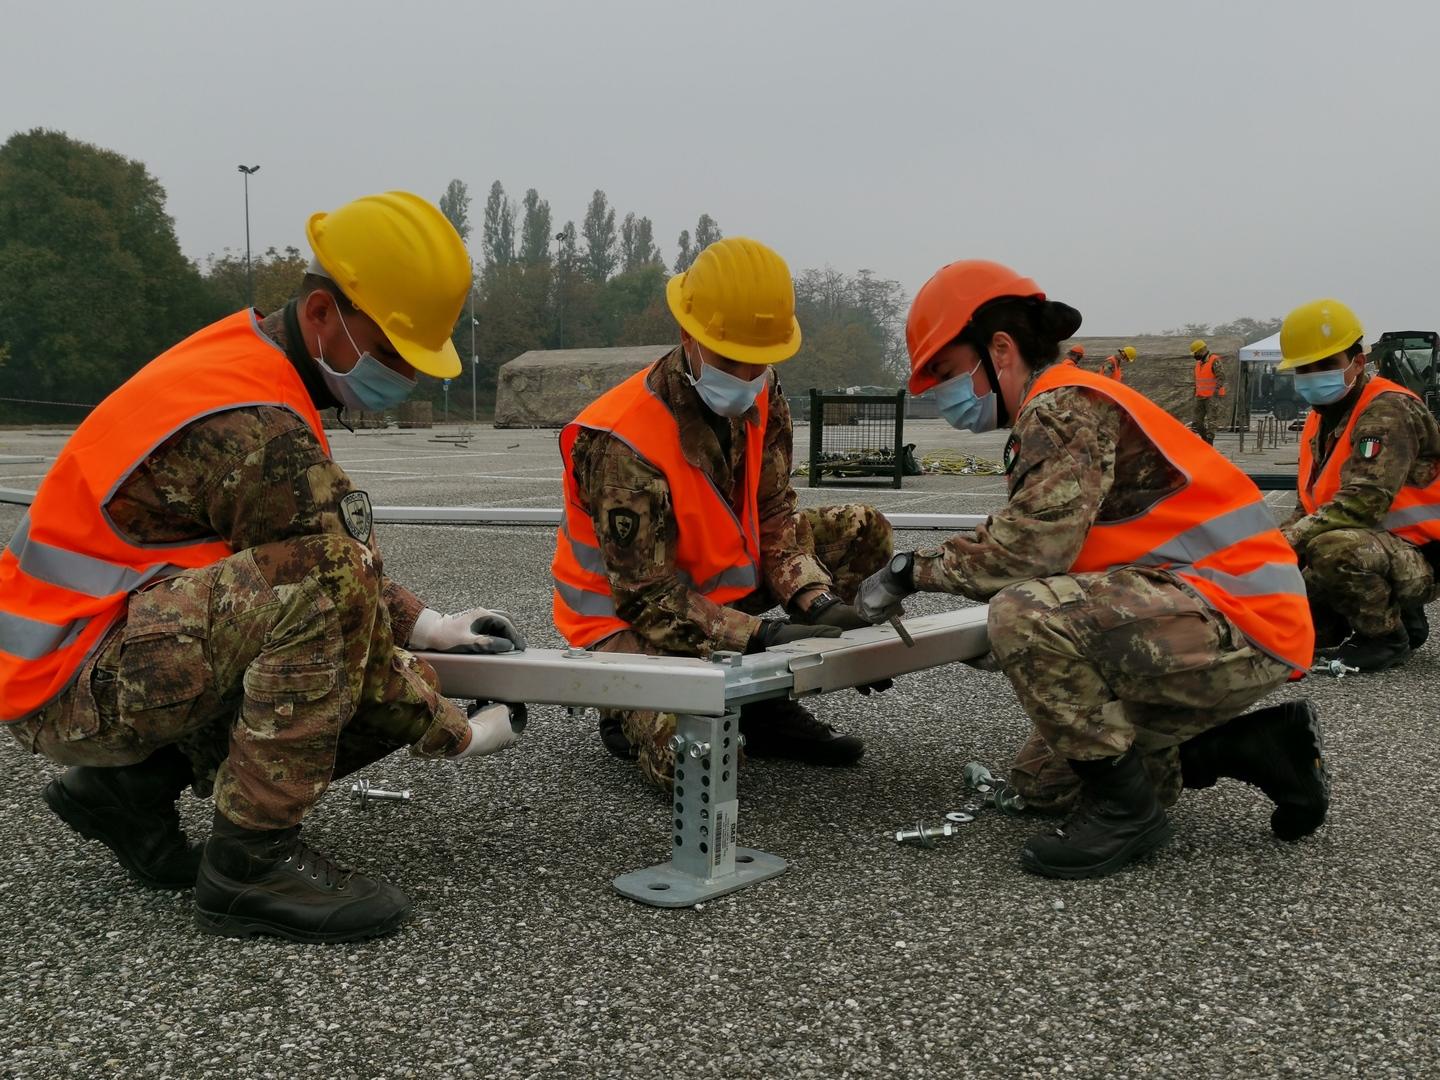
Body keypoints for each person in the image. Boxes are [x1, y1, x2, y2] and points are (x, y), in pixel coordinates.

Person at [0, 191, 529, 943]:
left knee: (334, 607)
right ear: (321, 314)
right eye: (388, 355)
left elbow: (310, 543)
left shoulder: (249, 359)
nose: (401, 379)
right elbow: (329, 585)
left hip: (71, 659)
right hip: (71, 686)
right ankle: (249, 864)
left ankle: (127, 791)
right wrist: (455, 730)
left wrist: (431, 627)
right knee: (337, 623)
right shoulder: (255, 424)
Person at [853, 260, 1326, 880]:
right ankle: (1262, 748)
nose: (940, 393)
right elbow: (1064, 553)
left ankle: (1129, 814)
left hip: (1237, 615)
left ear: (1000, 349)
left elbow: (1026, 554)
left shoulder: (1060, 408)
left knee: (1021, 615)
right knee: (1043, 781)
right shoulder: (1068, 401)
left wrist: (906, 572)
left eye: (944, 372)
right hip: (1221, 613)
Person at [552, 237, 891, 788]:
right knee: (704, 774)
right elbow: (647, 598)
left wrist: (816, 600)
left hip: (714, 592)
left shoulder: (763, 389)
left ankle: (764, 707)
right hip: (628, 619)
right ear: (688, 336)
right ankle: (622, 712)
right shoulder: (623, 442)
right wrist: (760, 637)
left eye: (759, 360)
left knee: (862, 531)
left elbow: (776, 511)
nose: (745, 375)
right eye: (729, 358)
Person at [1277, 298, 1440, 671]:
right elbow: (1311, 505)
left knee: (1332, 549)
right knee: (1296, 601)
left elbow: (1364, 501)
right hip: (1384, 546)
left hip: (1425, 554)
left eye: (1328, 365)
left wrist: (1289, 543)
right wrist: (1270, 554)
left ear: (1358, 362)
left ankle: (1385, 639)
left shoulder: (1387, 410)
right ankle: (1395, 618)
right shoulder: (1322, 420)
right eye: (1306, 368)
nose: (1315, 375)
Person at [1190, 339, 1227, 444]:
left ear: (1202, 350)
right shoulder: (1198, 364)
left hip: (1212, 396)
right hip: (1200, 396)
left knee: (1212, 420)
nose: (1195, 355)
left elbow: (1221, 377)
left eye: (1196, 353)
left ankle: (1209, 441)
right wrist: (1195, 393)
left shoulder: (1214, 360)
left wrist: (1216, 391)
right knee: (1197, 422)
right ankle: (1204, 439)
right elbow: (1197, 381)